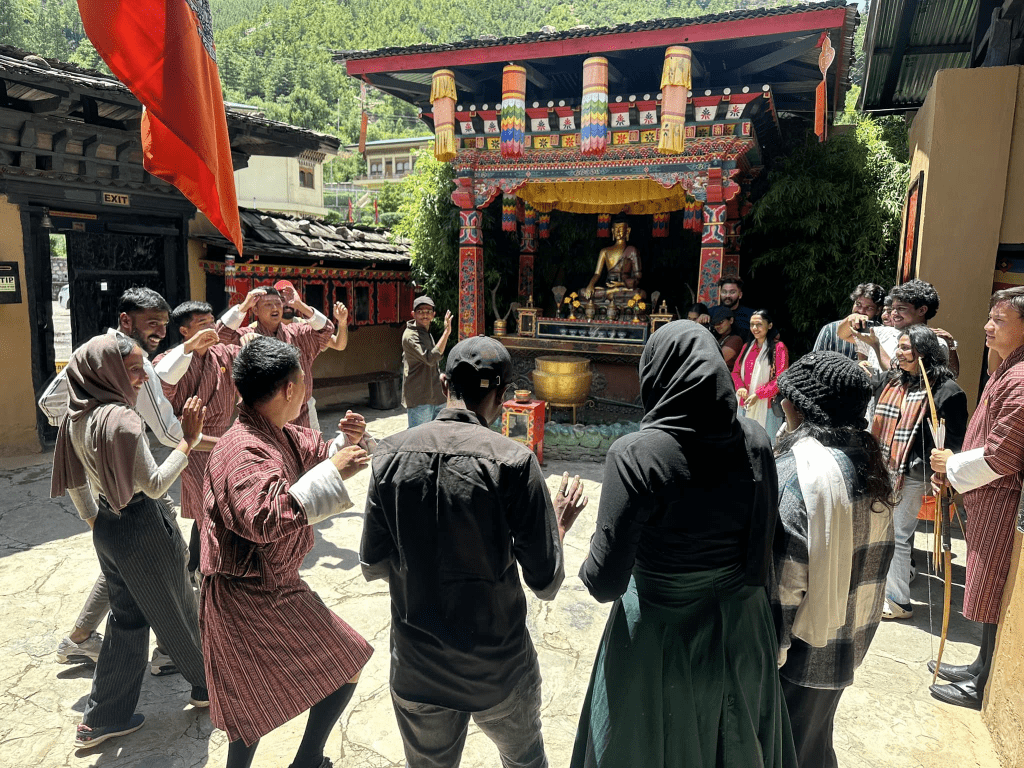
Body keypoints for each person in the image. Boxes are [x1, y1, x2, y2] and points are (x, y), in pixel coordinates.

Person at [570, 321, 794, 768]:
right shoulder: (754, 440)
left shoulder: (636, 455)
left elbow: (605, 583)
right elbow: (764, 542)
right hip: (742, 633)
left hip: (661, 643)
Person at [362, 336, 588, 768]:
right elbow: (545, 581)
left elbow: (373, 564)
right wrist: (556, 524)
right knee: (524, 760)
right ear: (502, 396)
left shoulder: (388, 455)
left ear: (445, 382)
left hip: (417, 667)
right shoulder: (515, 462)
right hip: (497, 668)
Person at [202, 336, 375, 768]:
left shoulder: (270, 432)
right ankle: (308, 760)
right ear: (290, 389)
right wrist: (331, 474)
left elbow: (314, 451)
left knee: (256, 696)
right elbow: (261, 515)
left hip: (270, 585)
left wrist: (342, 445)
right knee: (339, 664)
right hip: (248, 592)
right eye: (303, 381)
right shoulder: (242, 448)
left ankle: (307, 759)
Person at [50, 334, 209, 749]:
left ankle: (104, 717)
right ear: (107, 371)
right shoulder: (121, 420)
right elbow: (154, 485)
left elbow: (75, 481)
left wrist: (95, 521)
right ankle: (206, 686)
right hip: (141, 524)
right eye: (134, 369)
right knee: (178, 606)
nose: (142, 378)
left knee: (128, 619)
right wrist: (188, 441)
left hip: (109, 524)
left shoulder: (76, 415)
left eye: (142, 367)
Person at [771, 352, 896, 768]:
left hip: (798, 653)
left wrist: (769, 651)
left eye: (784, 398)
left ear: (795, 407)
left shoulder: (796, 473)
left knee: (783, 750)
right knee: (813, 746)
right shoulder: (872, 463)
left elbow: (787, 584)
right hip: (848, 640)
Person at [928, 286, 1024, 710]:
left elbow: (1004, 453)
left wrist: (951, 466)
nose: (987, 326)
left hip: (1000, 497)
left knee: (990, 586)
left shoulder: (1021, 378)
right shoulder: (1009, 366)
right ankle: (979, 665)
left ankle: (981, 681)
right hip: (985, 494)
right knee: (985, 585)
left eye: (998, 320)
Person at [871, 326, 967, 620]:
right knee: (884, 533)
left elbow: (952, 441)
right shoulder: (892, 380)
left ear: (924, 353)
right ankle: (887, 591)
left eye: (905, 348)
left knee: (898, 534)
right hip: (884, 465)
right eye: (898, 347)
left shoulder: (947, 391)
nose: (898, 353)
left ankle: (899, 600)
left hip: (913, 472)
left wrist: (942, 472)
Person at [153, 301, 240, 582]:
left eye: (211, 322)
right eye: (202, 324)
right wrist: (189, 350)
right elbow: (162, 390)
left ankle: (194, 567)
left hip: (222, 438)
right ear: (184, 330)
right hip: (193, 444)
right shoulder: (168, 361)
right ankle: (208, 572)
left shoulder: (224, 354)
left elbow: (251, 369)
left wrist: (250, 341)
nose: (210, 329)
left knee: (212, 509)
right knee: (213, 510)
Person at [220, 284, 337, 429]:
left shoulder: (298, 333)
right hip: (262, 418)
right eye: (268, 304)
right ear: (255, 309)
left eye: (278, 303)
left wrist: (300, 305)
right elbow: (220, 335)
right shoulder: (246, 336)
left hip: (299, 415)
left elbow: (327, 330)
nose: (275, 308)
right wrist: (243, 306)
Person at [838, 279, 960, 377]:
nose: (894, 313)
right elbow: (843, 334)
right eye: (893, 308)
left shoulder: (935, 343)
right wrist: (851, 319)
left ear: (922, 310)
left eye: (901, 309)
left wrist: (876, 345)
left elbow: (901, 377)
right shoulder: (882, 332)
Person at [732, 309, 789, 443]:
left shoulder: (779, 347)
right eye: (752, 325)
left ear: (769, 325)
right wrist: (740, 387)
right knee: (743, 444)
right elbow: (735, 372)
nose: (754, 328)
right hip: (744, 404)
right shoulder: (747, 346)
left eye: (759, 324)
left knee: (767, 444)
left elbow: (780, 379)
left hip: (767, 406)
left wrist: (758, 394)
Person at [402, 296, 453, 428]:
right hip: (420, 397)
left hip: (435, 395)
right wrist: (446, 333)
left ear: (433, 314)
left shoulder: (425, 332)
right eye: (420, 311)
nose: (425, 315)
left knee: (436, 436)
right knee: (419, 440)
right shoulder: (410, 336)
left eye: (428, 311)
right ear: (413, 314)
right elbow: (431, 358)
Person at [812, 283, 886, 360]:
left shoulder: (882, 333)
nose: (861, 311)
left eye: (869, 308)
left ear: (878, 310)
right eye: (858, 304)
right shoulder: (830, 330)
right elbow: (814, 361)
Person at [581, 217, 642, 303]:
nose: (617, 231)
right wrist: (590, 285)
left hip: (625, 288)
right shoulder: (604, 251)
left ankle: (611, 294)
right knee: (583, 292)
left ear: (627, 231)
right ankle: (611, 292)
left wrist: (621, 284)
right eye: (616, 229)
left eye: (620, 228)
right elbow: (597, 273)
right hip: (608, 287)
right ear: (612, 231)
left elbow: (638, 276)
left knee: (640, 294)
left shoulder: (632, 250)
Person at [710, 305, 743, 369]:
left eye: (721, 322)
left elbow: (717, 360)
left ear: (731, 320)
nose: (717, 326)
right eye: (715, 324)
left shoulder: (736, 340)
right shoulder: (719, 338)